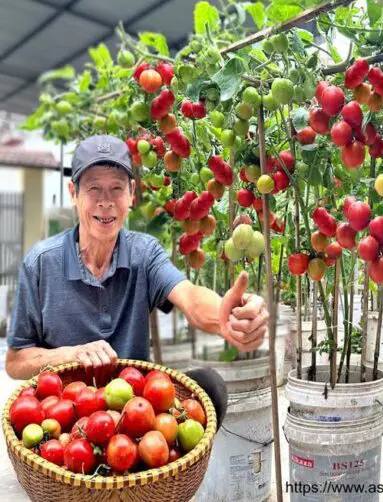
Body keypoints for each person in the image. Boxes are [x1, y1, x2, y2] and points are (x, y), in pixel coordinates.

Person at [4, 135, 268, 427]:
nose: (105, 202)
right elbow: (15, 361)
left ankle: (166, 470)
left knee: (209, 385)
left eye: (116, 188)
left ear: (131, 194)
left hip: (134, 413)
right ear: (74, 193)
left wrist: (225, 317)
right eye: (93, 188)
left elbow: (189, 296)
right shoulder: (41, 263)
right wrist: (71, 355)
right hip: (66, 415)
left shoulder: (144, 253)